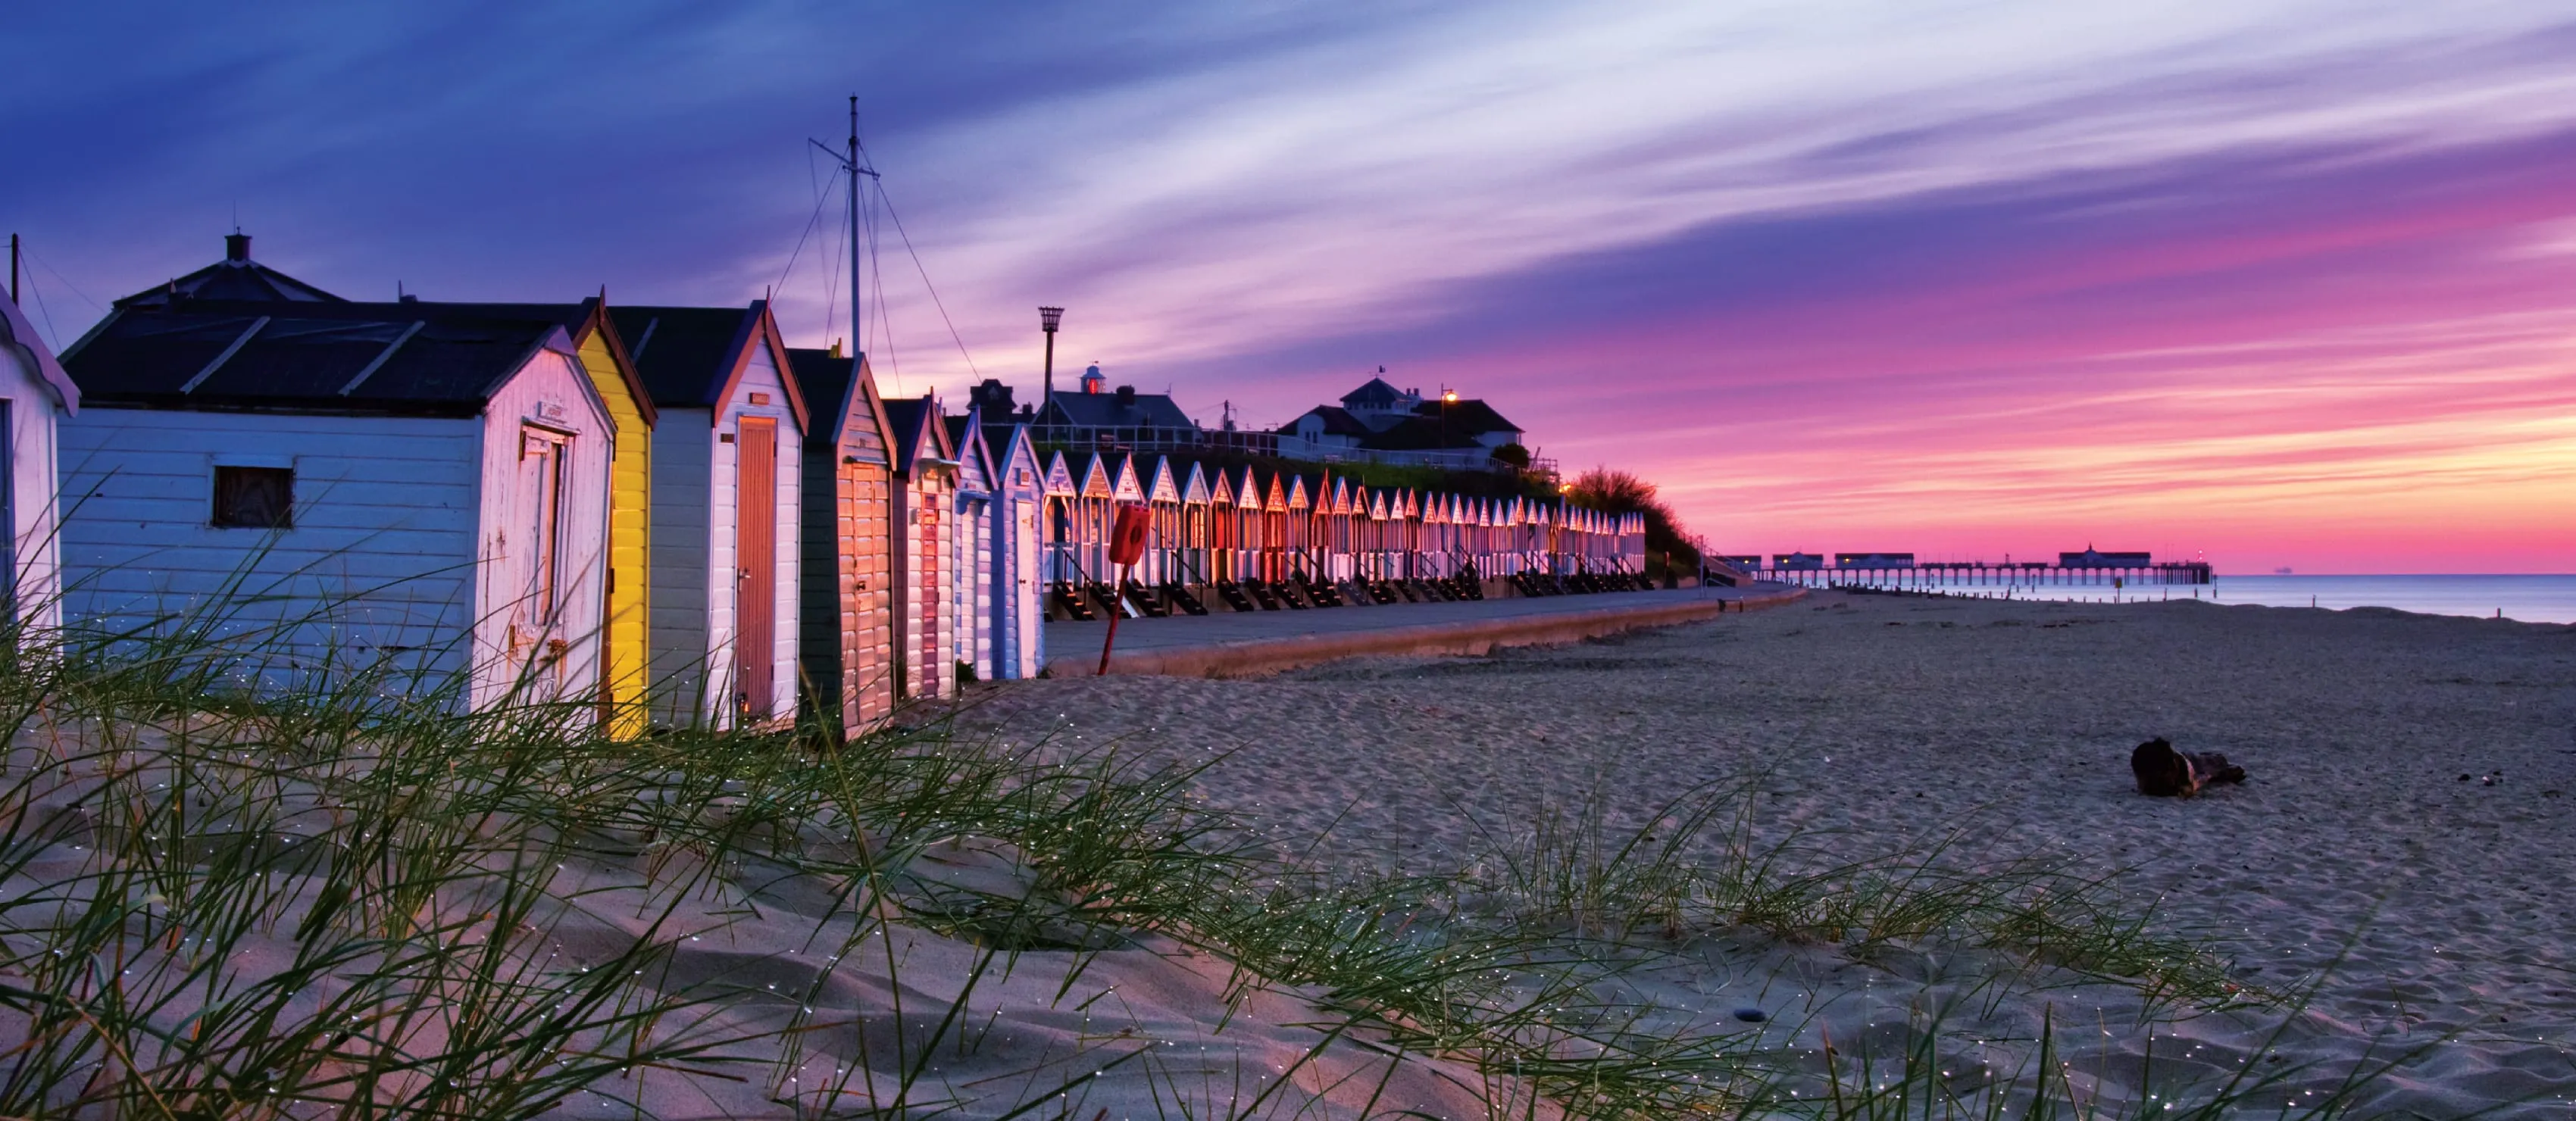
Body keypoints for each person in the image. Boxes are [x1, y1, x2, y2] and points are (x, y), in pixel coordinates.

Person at [2131, 738, 2246, 798]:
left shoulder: (2183, 771)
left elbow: (2202, 780)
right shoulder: (2151, 772)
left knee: (2215, 763)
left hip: (2196, 762)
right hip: (2185, 761)